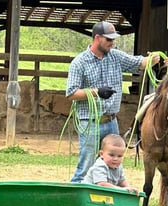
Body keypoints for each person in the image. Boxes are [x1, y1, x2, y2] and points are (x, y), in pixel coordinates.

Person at [66, 21, 160, 183]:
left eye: (113, 39)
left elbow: (139, 63)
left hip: (111, 120)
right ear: (97, 38)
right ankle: (75, 198)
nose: (112, 43)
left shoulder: (115, 56)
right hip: (90, 122)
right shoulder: (79, 62)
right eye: (108, 39)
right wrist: (97, 92)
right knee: (87, 166)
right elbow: (71, 93)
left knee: (112, 165)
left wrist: (154, 59)